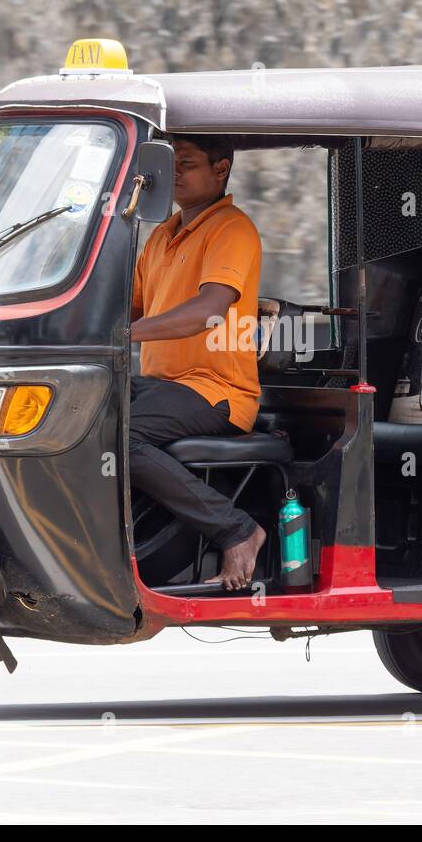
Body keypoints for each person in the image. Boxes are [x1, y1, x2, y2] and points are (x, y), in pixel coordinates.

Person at [129, 134, 266, 590]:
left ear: (221, 169)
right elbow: (125, 307)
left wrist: (123, 335)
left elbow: (208, 310)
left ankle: (238, 531)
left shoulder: (231, 229)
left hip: (215, 390)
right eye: (171, 165)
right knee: (75, 412)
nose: (176, 175)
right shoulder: (162, 235)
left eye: (186, 163)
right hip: (162, 386)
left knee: (118, 434)